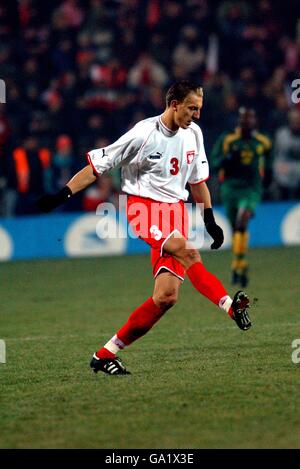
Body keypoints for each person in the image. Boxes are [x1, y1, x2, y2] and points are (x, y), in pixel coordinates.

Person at [37, 81, 252, 376]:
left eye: (199, 109)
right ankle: (230, 306)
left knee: (166, 297)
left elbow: (198, 182)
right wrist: (61, 195)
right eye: (192, 108)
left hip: (176, 212)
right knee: (189, 253)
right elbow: (98, 167)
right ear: (174, 104)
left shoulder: (194, 134)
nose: (197, 115)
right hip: (144, 209)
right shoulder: (143, 133)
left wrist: (209, 218)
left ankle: (104, 354)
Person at [211, 107, 272, 288]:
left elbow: (269, 163)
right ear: (239, 121)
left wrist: (267, 179)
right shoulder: (227, 140)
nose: (247, 122)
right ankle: (239, 264)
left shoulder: (263, 142)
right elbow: (214, 163)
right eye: (244, 119)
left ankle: (236, 265)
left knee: (241, 222)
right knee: (236, 230)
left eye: (250, 119)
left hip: (251, 189)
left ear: (255, 122)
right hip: (230, 189)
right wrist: (227, 159)